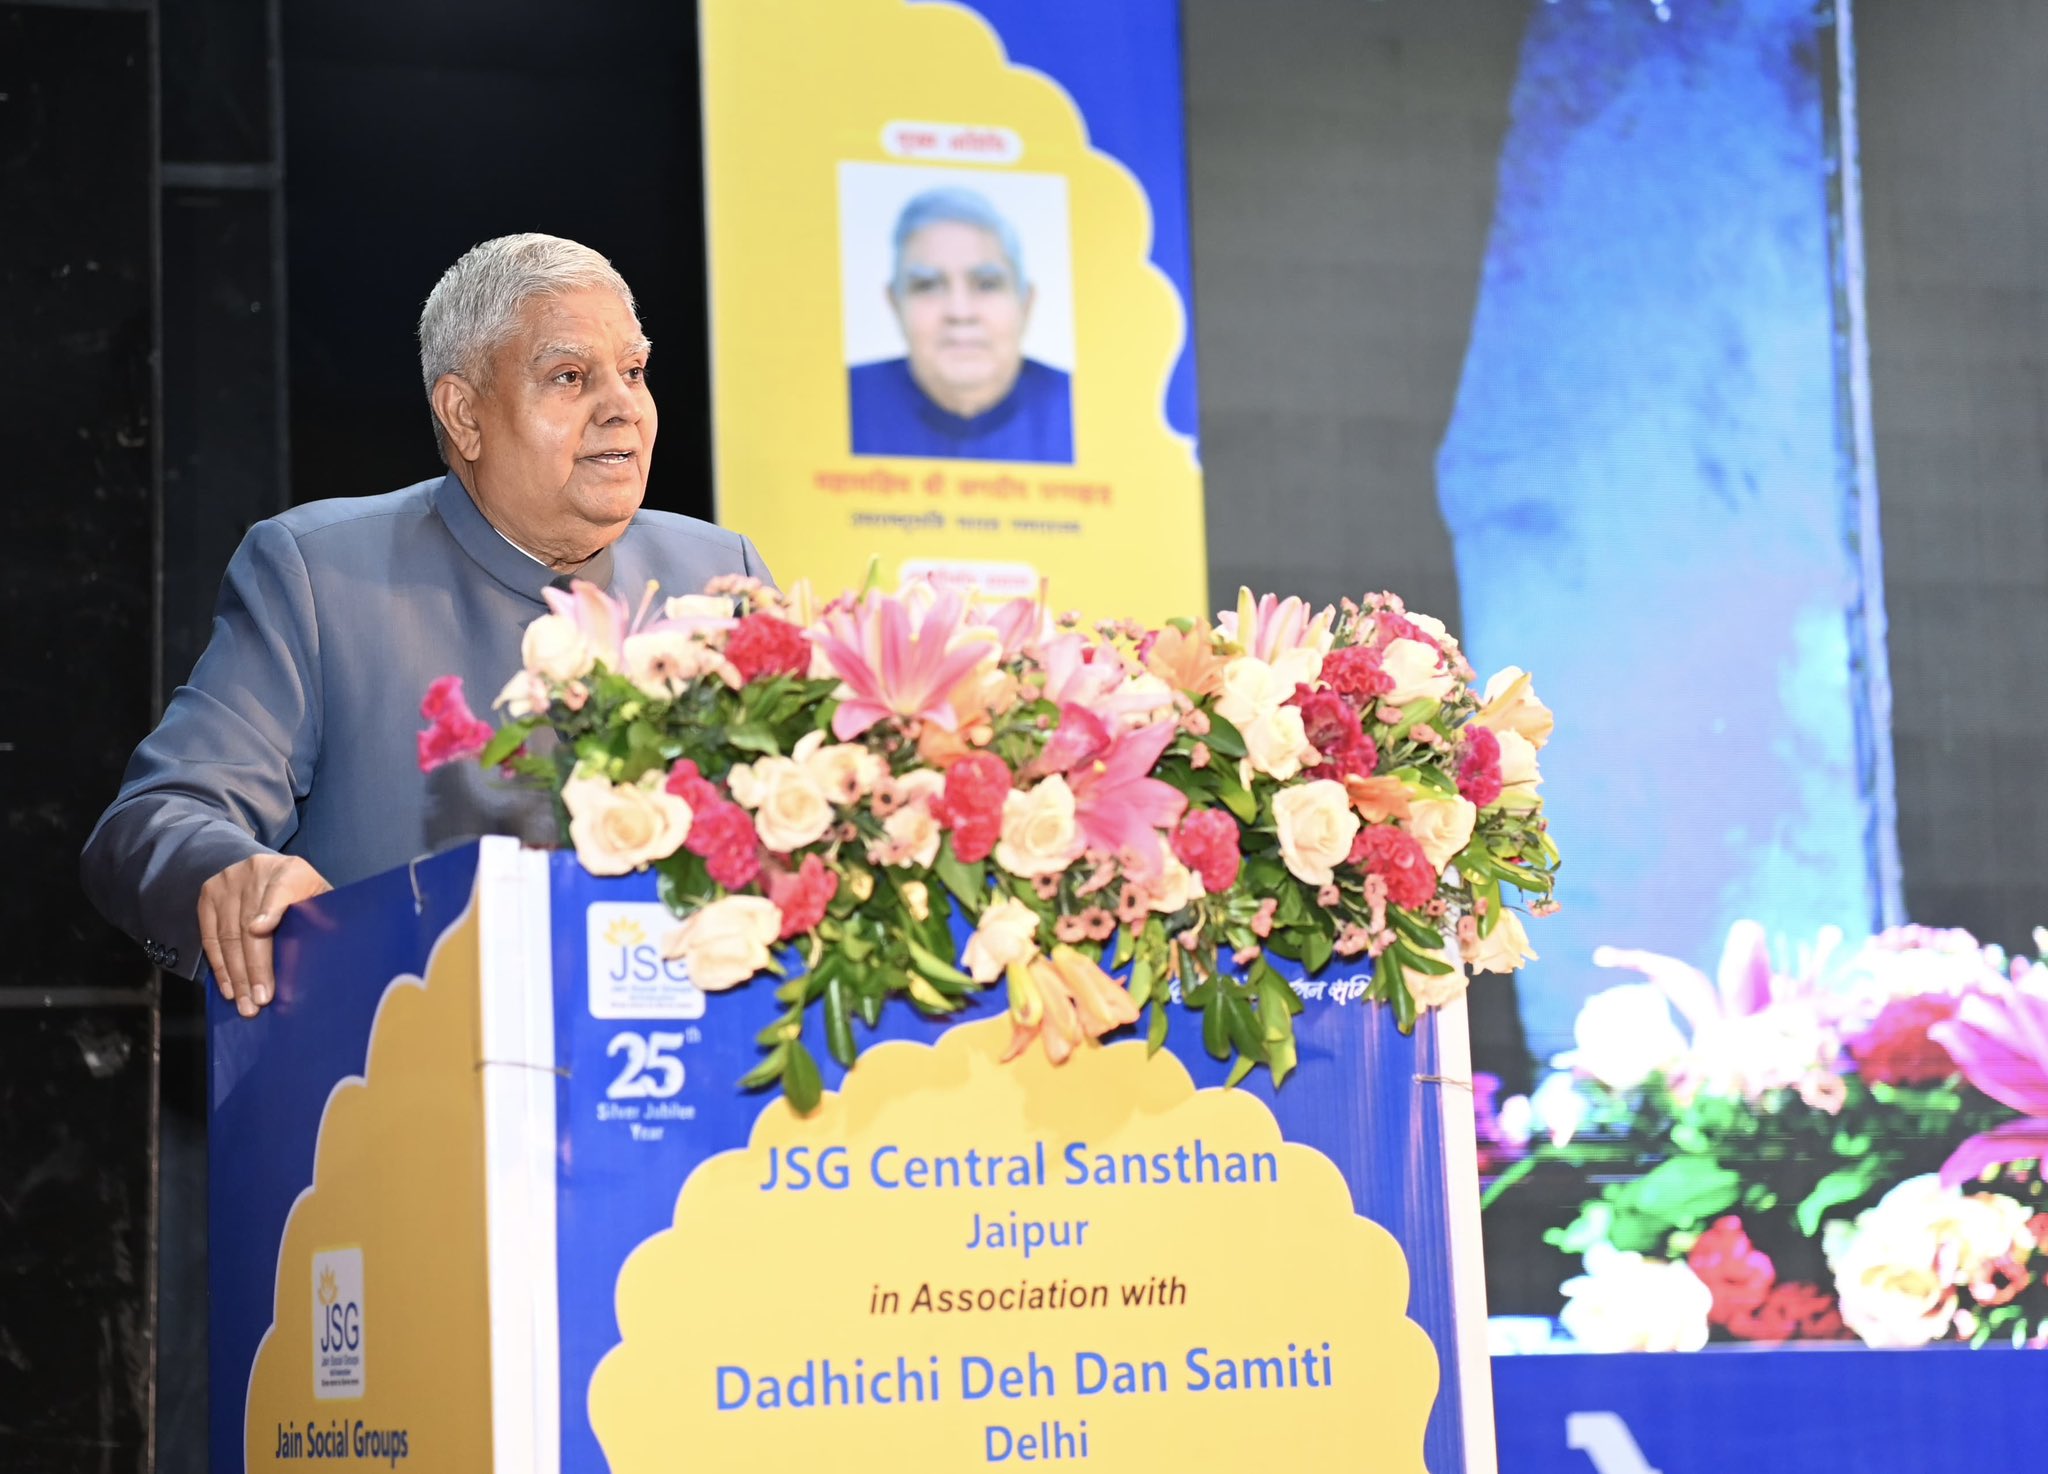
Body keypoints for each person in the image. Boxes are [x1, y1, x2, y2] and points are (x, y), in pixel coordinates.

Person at [80, 234, 770, 1018]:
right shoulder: (321, 576)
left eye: (635, 371)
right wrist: (229, 873)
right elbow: (152, 821)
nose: (623, 407)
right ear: (464, 414)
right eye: (570, 377)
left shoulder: (721, 578)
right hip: (397, 1074)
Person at [848, 187, 1074, 464]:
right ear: (895, 303)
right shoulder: (842, 401)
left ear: (1026, 302)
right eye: (927, 286)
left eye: (987, 284)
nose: (960, 312)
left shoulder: (1085, 408)